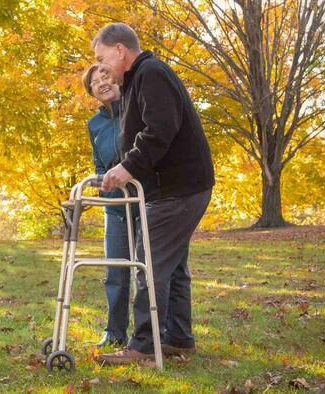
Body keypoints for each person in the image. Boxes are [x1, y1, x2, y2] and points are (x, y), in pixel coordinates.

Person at [92, 22, 215, 364]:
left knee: (148, 261)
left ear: (120, 50)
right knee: (173, 267)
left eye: (103, 59)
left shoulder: (152, 73)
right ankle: (178, 338)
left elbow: (160, 130)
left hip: (180, 188)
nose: (102, 69)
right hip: (175, 188)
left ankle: (144, 346)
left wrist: (126, 167)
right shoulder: (137, 81)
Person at [81, 63, 139, 348]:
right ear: (92, 93)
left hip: (143, 203)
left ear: (116, 79)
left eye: (105, 76)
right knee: (115, 271)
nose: (102, 82)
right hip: (115, 208)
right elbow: (99, 164)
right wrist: (100, 180)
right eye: (94, 82)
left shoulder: (135, 108)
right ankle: (115, 333)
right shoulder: (95, 124)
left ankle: (148, 334)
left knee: (146, 270)